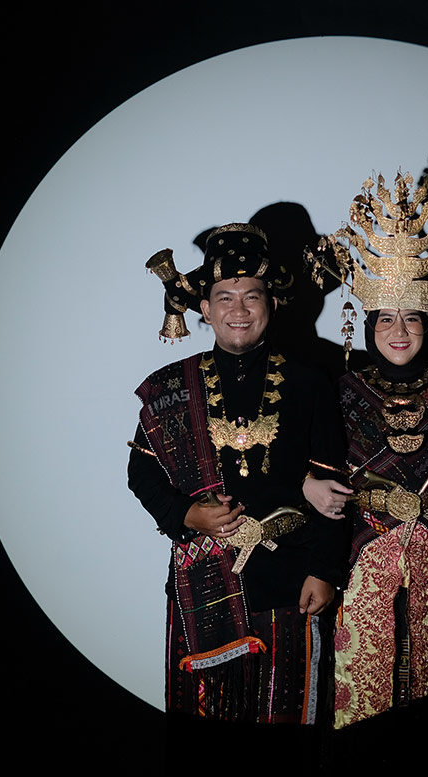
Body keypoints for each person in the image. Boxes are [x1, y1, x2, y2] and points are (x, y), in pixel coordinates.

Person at [303, 172, 428, 728]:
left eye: (411, 317)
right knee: (364, 699)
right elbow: (308, 465)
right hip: (361, 559)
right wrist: (309, 485)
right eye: (386, 318)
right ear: (369, 323)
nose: (399, 330)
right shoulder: (341, 392)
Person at [127, 223, 346, 733]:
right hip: (205, 581)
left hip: (293, 581)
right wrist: (187, 513)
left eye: (252, 296)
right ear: (204, 309)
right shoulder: (170, 387)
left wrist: (325, 570)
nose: (239, 309)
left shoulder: (310, 382)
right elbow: (141, 474)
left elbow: (336, 489)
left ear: (272, 302)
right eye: (225, 297)